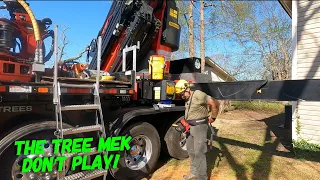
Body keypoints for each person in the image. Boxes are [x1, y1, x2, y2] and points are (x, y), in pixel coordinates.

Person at [175, 79, 220, 180]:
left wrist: (213, 117)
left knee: (199, 152)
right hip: (190, 127)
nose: (182, 96)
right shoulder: (187, 98)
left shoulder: (198, 94)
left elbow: (215, 103)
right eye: (180, 94)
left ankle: (202, 177)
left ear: (187, 88)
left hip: (200, 127)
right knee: (191, 151)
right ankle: (194, 173)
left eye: (182, 93)